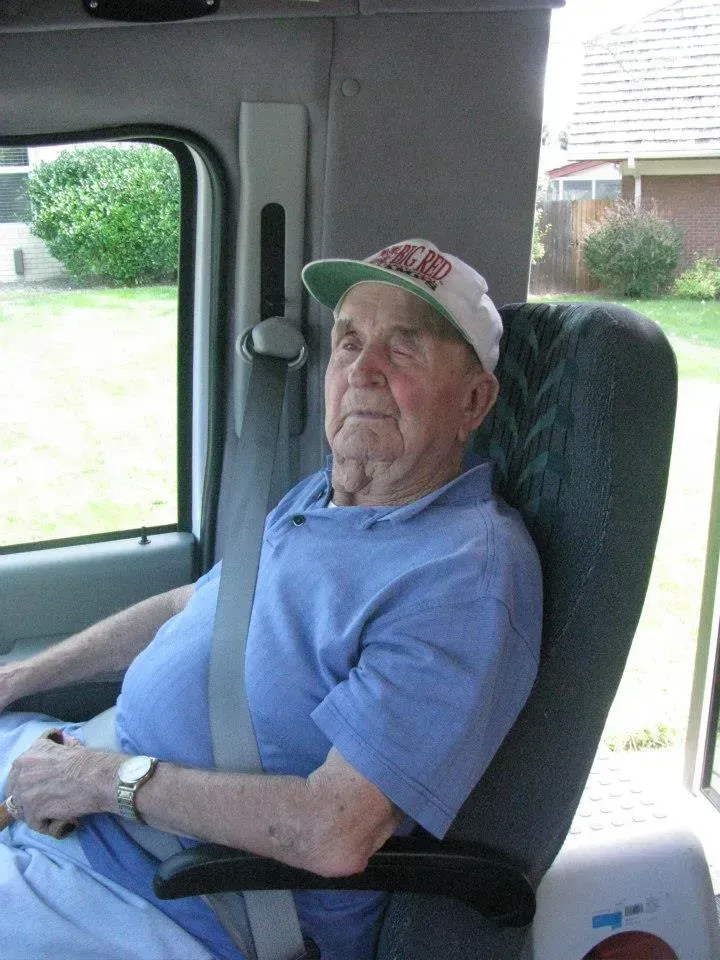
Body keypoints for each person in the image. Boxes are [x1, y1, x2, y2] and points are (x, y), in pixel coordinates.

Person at [0, 239, 542, 960]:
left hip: (170, 899)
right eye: (349, 342)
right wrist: (20, 681)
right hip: (85, 794)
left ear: (474, 399)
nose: (362, 370)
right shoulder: (325, 494)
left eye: (404, 348)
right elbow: (193, 608)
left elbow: (334, 830)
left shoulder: (462, 578)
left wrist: (101, 782)